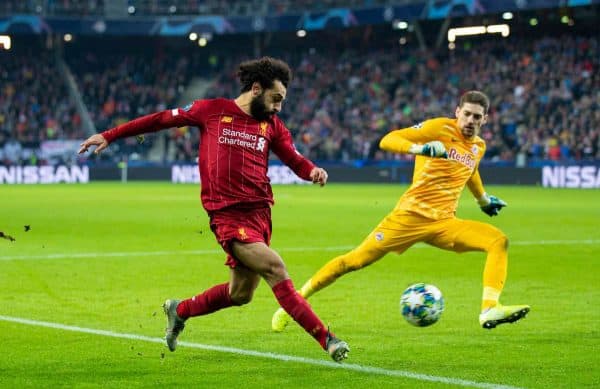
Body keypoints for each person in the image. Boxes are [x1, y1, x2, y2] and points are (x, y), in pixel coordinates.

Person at [78, 57, 349, 362]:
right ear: (256, 89)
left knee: (240, 294)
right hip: (228, 216)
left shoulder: (272, 126)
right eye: (276, 99)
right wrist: (110, 135)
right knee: (275, 268)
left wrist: (312, 171)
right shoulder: (211, 111)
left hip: (260, 216)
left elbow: (294, 159)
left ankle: (179, 310)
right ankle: (327, 339)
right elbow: (161, 119)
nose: (278, 107)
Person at [271, 90, 530, 332]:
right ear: (457, 111)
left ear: (485, 119)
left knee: (498, 241)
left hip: (444, 223)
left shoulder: (478, 147)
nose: (470, 120)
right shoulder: (438, 128)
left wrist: (483, 200)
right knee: (353, 261)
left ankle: (489, 309)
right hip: (409, 218)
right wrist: (421, 148)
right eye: (467, 114)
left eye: (477, 116)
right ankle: (292, 304)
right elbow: (388, 140)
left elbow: (470, 171)